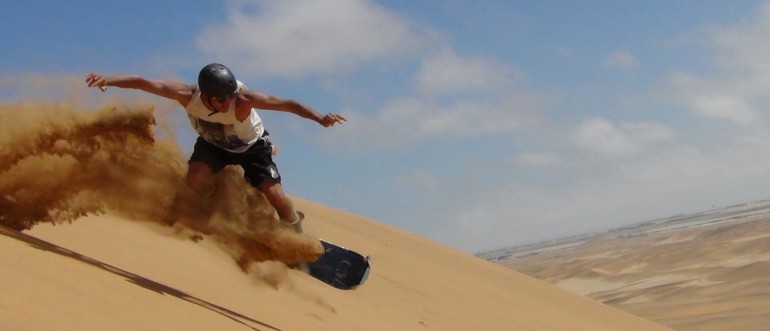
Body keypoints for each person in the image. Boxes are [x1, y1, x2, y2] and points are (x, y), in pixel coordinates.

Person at [85, 63, 346, 233]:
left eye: (229, 96)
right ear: (206, 95)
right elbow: (143, 81)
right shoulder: (188, 96)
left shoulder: (243, 101)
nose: (226, 103)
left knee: (276, 196)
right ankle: (210, 203)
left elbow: (288, 104)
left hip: (253, 148)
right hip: (212, 146)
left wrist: (320, 118)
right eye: (220, 99)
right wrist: (108, 78)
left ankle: (293, 224)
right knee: (194, 180)